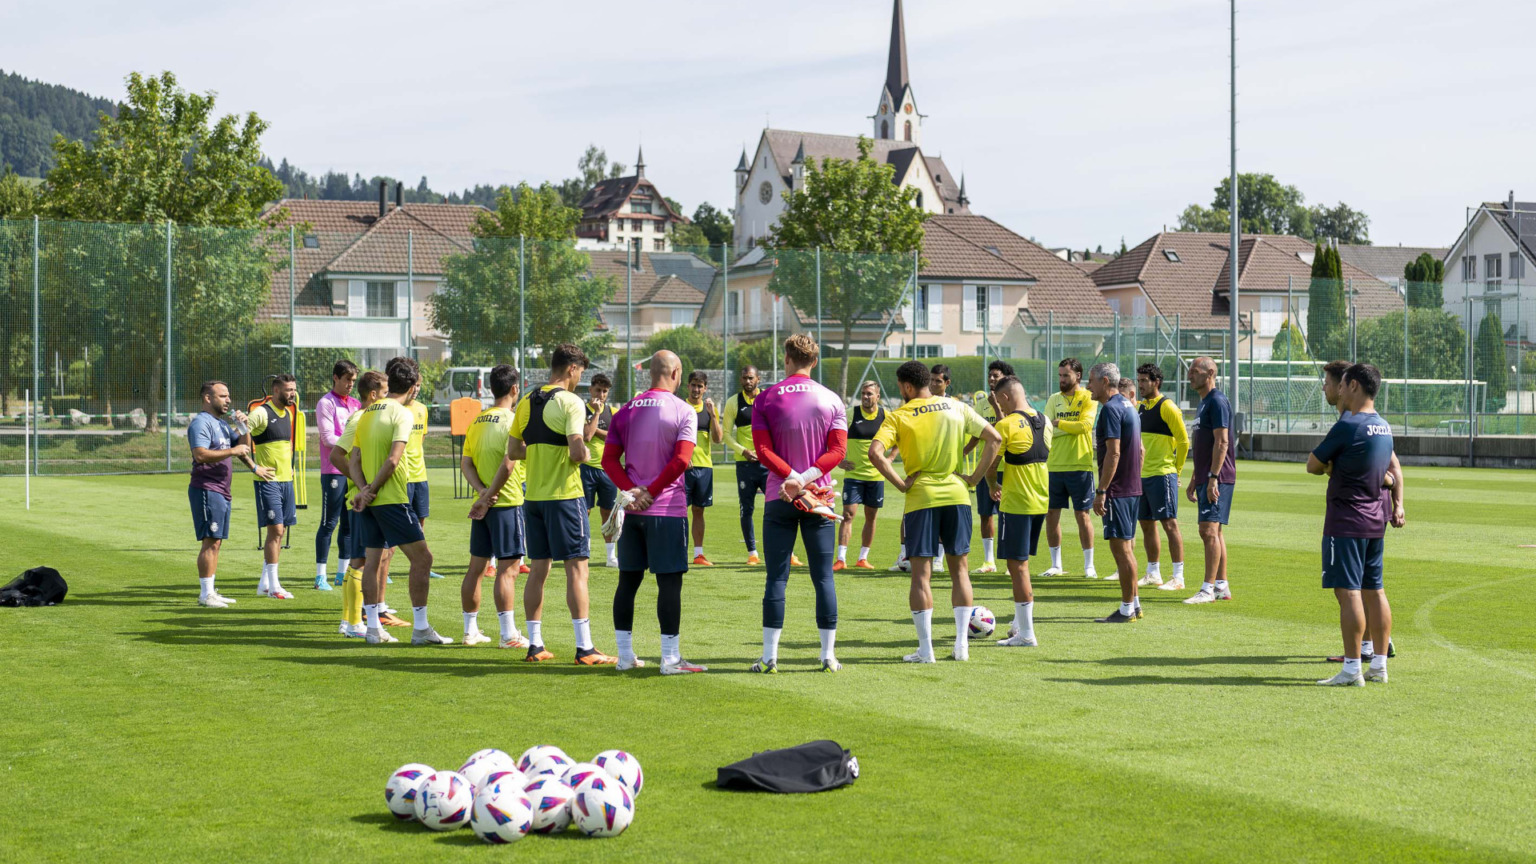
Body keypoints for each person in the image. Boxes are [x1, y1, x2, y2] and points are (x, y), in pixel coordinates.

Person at [492, 343, 616, 665]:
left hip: (532, 498)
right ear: (572, 369)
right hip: (564, 497)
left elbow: (515, 451)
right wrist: (583, 454)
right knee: (578, 569)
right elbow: (578, 451)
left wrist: (543, 449)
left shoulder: (527, 401)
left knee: (538, 570)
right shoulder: (570, 402)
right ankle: (585, 647)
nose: (579, 379)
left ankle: (535, 644)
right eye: (580, 373)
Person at [870, 361, 1001, 663]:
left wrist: (902, 484)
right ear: (928, 381)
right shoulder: (956, 406)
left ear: (905, 386)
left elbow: (876, 453)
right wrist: (974, 479)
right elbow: (994, 439)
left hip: (921, 498)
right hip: (957, 495)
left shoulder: (900, 415)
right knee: (960, 571)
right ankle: (961, 647)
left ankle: (926, 650)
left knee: (921, 576)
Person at [601, 350, 707, 674]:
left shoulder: (626, 409)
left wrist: (632, 492)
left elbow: (608, 461)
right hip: (667, 511)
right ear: (675, 373)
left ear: (651, 373)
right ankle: (670, 659)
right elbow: (681, 461)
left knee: (627, 582)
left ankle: (624, 657)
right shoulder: (683, 410)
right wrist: (650, 492)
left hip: (632, 513)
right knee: (670, 584)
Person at [750, 334, 848, 673]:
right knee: (823, 578)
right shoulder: (832, 399)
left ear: (787, 359)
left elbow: (763, 452)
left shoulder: (765, 398)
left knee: (776, 578)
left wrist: (792, 478)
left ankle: (769, 657)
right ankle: (827, 656)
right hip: (818, 497)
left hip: (781, 496)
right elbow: (837, 452)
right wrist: (805, 478)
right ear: (815, 362)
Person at [1309, 364, 1403, 686]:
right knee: (1374, 590)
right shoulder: (1384, 427)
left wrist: (1331, 466)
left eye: (1344, 383)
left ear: (1353, 386)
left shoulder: (1348, 427)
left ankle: (1351, 668)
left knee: (1348, 593)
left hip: (1346, 520)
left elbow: (1312, 464)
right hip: (1376, 521)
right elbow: (1387, 474)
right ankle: (1378, 664)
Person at [350, 360, 448, 646]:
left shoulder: (366, 413)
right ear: (412, 384)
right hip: (391, 498)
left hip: (370, 500)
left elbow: (353, 459)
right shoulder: (403, 414)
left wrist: (364, 490)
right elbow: (393, 460)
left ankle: (372, 630)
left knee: (373, 560)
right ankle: (420, 629)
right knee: (423, 558)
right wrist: (374, 489)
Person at [330, 370, 406, 636]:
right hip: (363, 501)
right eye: (385, 392)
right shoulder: (362, 418)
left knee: (370, 557)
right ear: (373, 394)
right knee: (360, 560)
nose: (389, 397)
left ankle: (355, 619)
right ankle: (352, 622)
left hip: (372, 498)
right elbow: (337, 454)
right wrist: (362, 487)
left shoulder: (375, 416)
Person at [460, 364, 530, 649]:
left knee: (476, 567)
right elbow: (509, 463)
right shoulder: (514, 421)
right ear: (514, 389)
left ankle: (470, 631)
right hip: (507, 501)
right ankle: (508, 634)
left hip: (483, 504)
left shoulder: (477, 421)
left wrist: (481, 494)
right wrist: (491, 494)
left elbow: (466, 462)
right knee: (508, 569)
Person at [978, 375, 1050, 646]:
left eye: (999, 402)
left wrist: (991, 482)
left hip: (1016, 504)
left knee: (1016, 567)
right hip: (1039, 502)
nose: (1000, 407)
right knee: (1023, 565)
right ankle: (1019, 624)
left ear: (1005, 397)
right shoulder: (1046, 420)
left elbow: (990, 462)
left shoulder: (1006, 425)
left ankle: (1027, 634)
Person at [188, 381, 266, 608]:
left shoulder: (221, 425)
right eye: (222, 396)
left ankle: (211, 591)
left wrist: (244, 428)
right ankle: (205, 594)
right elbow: (201, 454)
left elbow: (244, 448)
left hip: (222, 490)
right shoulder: (200, 423)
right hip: (207, 488)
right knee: (210, 541)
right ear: (207, 398)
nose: (228, 400)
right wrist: (232, 450)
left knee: (216, 542)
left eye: (228, 396)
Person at [1088, 363, 1144, 623]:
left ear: (1104, 381)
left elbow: (1114, 452)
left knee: (1121, 550)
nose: (1088, 386)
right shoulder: (1128, 406)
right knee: (1127, 549)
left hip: (1118, 491)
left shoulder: (1110, 409)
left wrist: (1102, 490)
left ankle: (1126, 610)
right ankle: (1134, 604)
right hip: (1131, 488)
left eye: (1091, 381)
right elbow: (1140, 452)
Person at [1183, 357, 1235, 604]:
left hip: (1218, 476)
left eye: (1195, 371)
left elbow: (1222, 442)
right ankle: (1221, 586)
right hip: (1207, 475)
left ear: (1210, 373)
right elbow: (1203, 444)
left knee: (1208, 530)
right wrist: (1196, 476)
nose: (1190, 375)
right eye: (1190, 371)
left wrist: (1213, 477)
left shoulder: (1216, 401)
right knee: (1215, 531)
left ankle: (1207, 589)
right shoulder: (1204, 403)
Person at [1043, 358, 1099, 579]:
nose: (1061, 379)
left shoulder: (1088, 397)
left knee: (1082, 515)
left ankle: (1089, 566)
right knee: (1051, 515)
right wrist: (1065, 427)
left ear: (1078, 375)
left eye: (1066, 375)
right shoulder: (1053, 399)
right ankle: (1056, 564)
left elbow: (1086, 426)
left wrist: (1059, 424)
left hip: (1080, 465)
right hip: (1054, 466)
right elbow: (1046, 429)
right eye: (1059, 375)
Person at [1134, 363, 1188, 591]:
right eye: (1139, 380)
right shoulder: (1140, 407)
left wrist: (1177, 471)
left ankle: (1178, 577)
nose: (1140, 384)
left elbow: (1184, 441)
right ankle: (1153, 572)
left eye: (1144, 380)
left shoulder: (1168, 407)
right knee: (1146, 524)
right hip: (1142, 476)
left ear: (1156, 382)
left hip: (1162, 474)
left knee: (1169, 524)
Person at [246, 373, 301, 600]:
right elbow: (240, 433)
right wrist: (253, 466)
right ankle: (275, 587)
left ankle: (265, 584)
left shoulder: (288, 413)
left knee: (281, 531)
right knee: (276, 531)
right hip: (268, 482)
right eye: (288, 390)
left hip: (286, 481)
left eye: (294, 389)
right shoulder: (260, 412)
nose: (292, 393)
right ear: (276, 390)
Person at [964, 360, 1016, 574]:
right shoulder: (981, 404)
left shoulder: (1013, 400)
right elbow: (977, 433)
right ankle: (989, 561)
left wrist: (996, 406)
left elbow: (1007, 428)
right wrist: (964, 450)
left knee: (1008, 514)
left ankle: (1010, 561)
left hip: (1008, 466)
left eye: (996, 375)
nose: (992, 379)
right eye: (990, 375)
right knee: (986, 513)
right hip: (987, 467)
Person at [313, 360, 359, 590]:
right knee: (328, 522)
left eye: (353, 380)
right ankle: (320, 575)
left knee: (349, 524)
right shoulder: (325, 403)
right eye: (347, 380)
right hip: (333, 470)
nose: (350, 384)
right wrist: (350, 447)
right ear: (335, 378)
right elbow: (327, 437)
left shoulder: (356, 404)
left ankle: (342, 573)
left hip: (352, 471)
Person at [836, 380, 887, 571]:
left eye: (869, 394)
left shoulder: (885, 416)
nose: (866, 397)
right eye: (863, 394)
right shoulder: (851, 414)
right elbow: (832, 437)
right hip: (854, 475)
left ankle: (863, 558)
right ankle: (841, 558)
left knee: (871, 517)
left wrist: (889, 458)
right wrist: (839, 460)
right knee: (847, 515)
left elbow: (899, 438)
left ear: (877, 396)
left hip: (875, 477)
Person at [724, 365, 768, 565]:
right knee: (746, 509)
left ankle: (788, 552)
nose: (747, 381)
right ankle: (752, 553)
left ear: (758, 378)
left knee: (778, 508)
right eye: (744, 378)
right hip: (744, 465)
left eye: (751, 378)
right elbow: (725, 434)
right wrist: (743, 451)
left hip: (769, 464)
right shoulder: (733, 402)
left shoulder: (768, 399)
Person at [580, 372, 620, 568]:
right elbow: (586, 437)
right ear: (590, 390)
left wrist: (594, 428)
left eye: (605, 391)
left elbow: (615, 437)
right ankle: (584, 553)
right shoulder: (580, 409)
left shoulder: (613, 411)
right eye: (598, 390)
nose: (601, 394)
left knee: (608, 513)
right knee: (583, 511)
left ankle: (610, 556)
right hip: (585, 468)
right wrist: (595, 414)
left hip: (607, 470)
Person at [684, 370, 724, 566]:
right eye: (693, 385)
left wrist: (713, 416)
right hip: (682, 469)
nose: (696, 389)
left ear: (705, 388)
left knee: (699, 510)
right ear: (688, 386)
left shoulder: (709, 410)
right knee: (679, 511)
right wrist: (681, 458)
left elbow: (718, 439)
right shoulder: (680, 408)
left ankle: (698, 554)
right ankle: (677, 551)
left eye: (700, 386)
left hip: (704, 468)